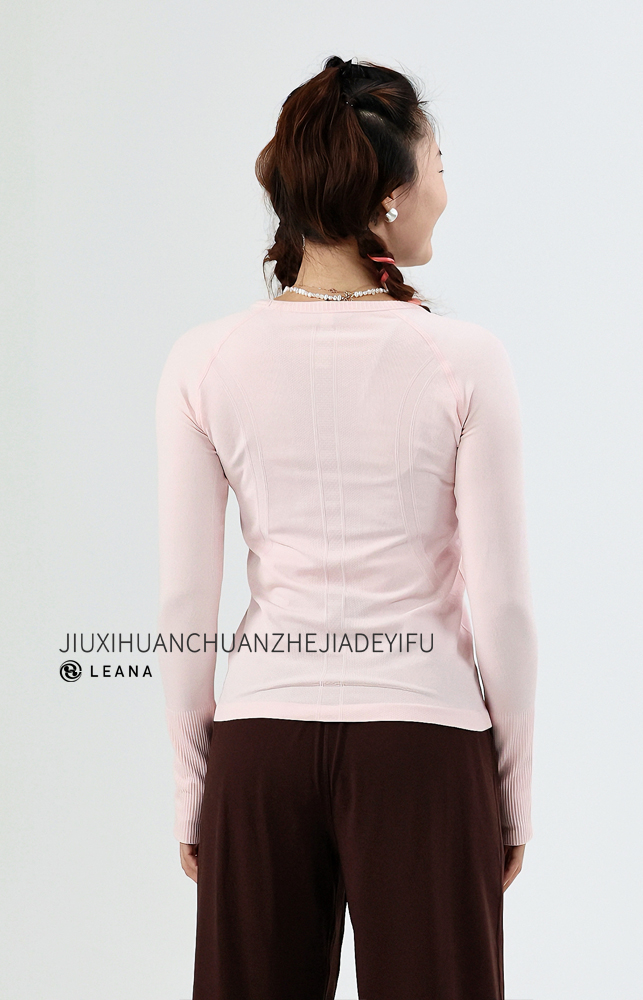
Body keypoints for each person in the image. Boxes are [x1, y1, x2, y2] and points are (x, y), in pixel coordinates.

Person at [155, 54, 538, 1000]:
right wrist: (511, 796)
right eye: (440, 165)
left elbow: (184, 603)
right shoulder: (464, 359)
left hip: (261, 748)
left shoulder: (204, 361)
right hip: (424, 748)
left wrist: (196, 788)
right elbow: (503, 607)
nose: (446, 190)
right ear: (391, 196)